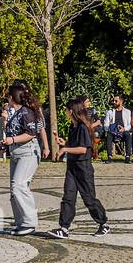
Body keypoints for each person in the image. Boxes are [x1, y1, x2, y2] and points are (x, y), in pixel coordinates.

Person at [50, 95, 111, 239]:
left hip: (83, 168)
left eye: (66, 110)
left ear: (71, 111)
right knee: (68, 197)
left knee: (89, 198)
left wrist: (64, 150)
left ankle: (103, 224)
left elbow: (83, 149)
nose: (65, 112)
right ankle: (64, 228)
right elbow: (73, 146)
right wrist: (63, 143)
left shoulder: (83, 128)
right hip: (72, 167)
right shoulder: (73, 127)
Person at [2, 80, 49, 235]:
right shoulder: (15, 112)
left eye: (9, 96)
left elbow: (31, 134)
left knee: (19, 185)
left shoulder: (27, 112)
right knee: (13, 189)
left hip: (28, 152)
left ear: (13, 96)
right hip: (15, 152)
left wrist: (12, 140)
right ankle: (20, 221)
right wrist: (5, 143)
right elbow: (12, 132)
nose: (7, 99)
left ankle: (29, 222)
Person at [101, 92, 133, 162]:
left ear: (121, 101)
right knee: (108, 135)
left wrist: (124, 129)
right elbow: (106, 124)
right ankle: (109, 156)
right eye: (113, 101)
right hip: (113, 131)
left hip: (123, 131)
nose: (114, 102)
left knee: (127, 134)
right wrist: (110, 129)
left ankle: (127, 156)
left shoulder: (127, 112)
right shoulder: (110, 112)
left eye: (116, 101)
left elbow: (129, 124)